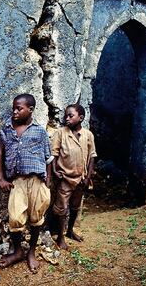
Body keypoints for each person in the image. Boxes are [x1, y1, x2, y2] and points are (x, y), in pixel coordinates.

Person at [0, 93, 52, 273]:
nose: (15, 111)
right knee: (15, 217)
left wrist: (47, 181)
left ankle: (31, 252)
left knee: (36, 218)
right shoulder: (6, 129)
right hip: (17, 181)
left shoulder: (40, 131)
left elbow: (48, 158)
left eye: (19, 108)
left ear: (30, 110)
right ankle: (18, 251)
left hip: (37, 180)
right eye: (14, 108)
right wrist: (1, 178)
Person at [51, 104, 97, 250]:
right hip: (65, 178)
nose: (67, 118)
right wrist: (55, 171)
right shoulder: (61, 133)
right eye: (66, 116)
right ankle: (60, 237)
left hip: (81, 179)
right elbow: (54, 154)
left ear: (81, 118)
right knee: (61, 208)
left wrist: (88, 176)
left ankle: (70, 230)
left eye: (71, 116)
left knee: (75, 206)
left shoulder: (88, 135)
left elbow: (92, 157)